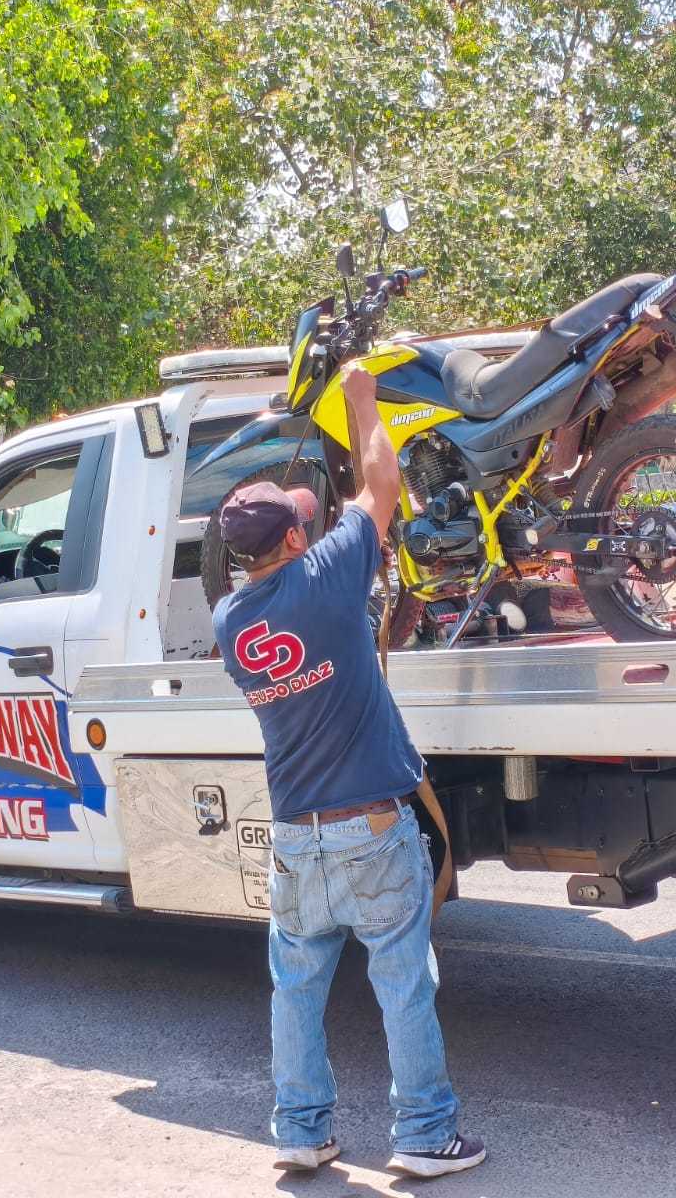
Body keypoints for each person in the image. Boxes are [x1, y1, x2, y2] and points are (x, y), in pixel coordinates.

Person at [211, 365, 486, 1180]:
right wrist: (363, 399)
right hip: (369, 827)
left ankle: (301, 1131)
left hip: (297, 837)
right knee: (402, 984)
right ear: (295, 541)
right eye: (300, 522)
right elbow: (380, 483)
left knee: (295, 989)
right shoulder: (327, 583)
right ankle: (426, 1135)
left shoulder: (232, 621)